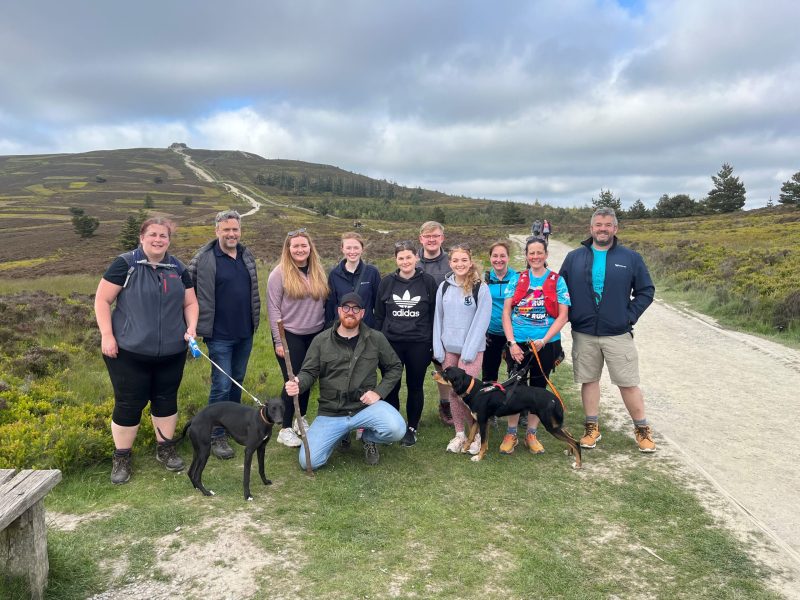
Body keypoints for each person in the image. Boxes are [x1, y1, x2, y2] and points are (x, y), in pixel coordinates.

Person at [94, 217, 199, 484]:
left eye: (163, 236)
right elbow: (103, 299)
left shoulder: (177, 268)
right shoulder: (125, 264)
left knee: (166, 399)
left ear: (169, 240)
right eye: (152, 234)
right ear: (142, 237)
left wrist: (192, 328)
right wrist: (107, 335)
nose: (158, 240)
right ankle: (122, 457)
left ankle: (165, 449)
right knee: (129, 403)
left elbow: (190, 303)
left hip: (172, 352)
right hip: (128, 352)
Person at [559, 207, 657, 452]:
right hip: (584, 333)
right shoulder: (574, 257)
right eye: (598, 225)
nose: (602, 229)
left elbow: (646, 291)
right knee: (589, 380)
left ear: (615, 228)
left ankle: (642, 429)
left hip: (618, 333)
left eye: (607, 225)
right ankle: (592, 428)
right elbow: (561, 291)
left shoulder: (630, 258)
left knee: (628, 382)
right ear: (591, 228)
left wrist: (628, 316)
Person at [284, 292, 405, 469]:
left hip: (364, 408)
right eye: (346, 308)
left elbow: (395, 367)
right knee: (308, 462)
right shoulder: (321, 340)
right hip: (331, 412)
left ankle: (368, 437)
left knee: (397, 429)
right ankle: (339, 434)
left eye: (356, 308)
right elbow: (308, 372)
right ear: (339, 310)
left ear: (362, 313)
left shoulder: (376, 339)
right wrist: (298, 383)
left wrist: (378, 392)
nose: (351, 312)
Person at [188, 210, 260, 459]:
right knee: (221, 385)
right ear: (217, 230)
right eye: (226, 229)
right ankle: (215, 435)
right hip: (218, 335)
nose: (232, 234)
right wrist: (193, 326)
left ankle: (233, 427)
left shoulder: (246, 254)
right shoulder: (203, 259)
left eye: (235, 229)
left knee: (237, 380)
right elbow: (189, 295)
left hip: (245, 332)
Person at [499, 236, 571, 454]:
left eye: (540, 252)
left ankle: (531, 433)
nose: (535, 256)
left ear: (546, 255)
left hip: (545, 343)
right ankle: (511, 433)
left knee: (538, 390)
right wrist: (511, 343)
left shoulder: (557, 280)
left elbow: (563, 316)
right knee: (513, 388)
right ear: (526, 256)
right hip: (518, 342)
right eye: (531, 253)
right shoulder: (518, 279)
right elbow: (506, 312)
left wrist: (544, 340)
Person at [268, 228, 329, 448]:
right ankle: (284, 428)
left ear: (310, 247)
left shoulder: (318, 270)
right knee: (292, 382)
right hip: (290, 335)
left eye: (304, 245)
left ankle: (299, 419)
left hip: (315, 334)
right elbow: (274, 309)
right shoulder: (279, 273)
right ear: (288, 249)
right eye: (295, 246)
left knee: (307, 380)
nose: (300, 249)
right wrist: (278, 341)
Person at [374, 240, 438, 447]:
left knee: (415, 386)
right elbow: (379, 316)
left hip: (419, 343)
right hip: (391, 343)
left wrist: (432, 344)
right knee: (391, 385)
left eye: (409, 257)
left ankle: (412, 428)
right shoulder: (386, 283)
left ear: (416, 257)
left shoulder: (428, 282)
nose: (405, 261)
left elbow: (435, 314)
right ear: (396, 260)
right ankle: (394, 425)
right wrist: (378, 344)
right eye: (401, 258)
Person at [433, 244, 492, 454]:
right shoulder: (444, 287)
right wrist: (438, 348)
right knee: (453, 393)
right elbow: (438, 318)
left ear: (470, 262)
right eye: (455, 261)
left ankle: (476, 436)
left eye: (464, 260)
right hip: (450, 348)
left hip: (472, 351)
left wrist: (469, 350)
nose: (460, 264)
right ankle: (460, 435)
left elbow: (481, 321)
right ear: (450, 263)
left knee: (467, 394)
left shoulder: (480, 288)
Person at [417, 220, 453, 426]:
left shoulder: (451, 261)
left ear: (442, 238)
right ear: (421, 238)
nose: (431, 240)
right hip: (419, 326)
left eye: (435, 236)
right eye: (427, 236)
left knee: (444, 367)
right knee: (417, 369)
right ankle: (415, 407)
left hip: (446, 326)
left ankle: (446, 404)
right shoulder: (413, 262)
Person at [325, 231, 381, 328]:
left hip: (366, 330)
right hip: (341, 329)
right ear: (342, 249)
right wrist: (329, 328)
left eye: (356, 248)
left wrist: (378, 327)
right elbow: (330, 306)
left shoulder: (372, 273)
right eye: (348, 248)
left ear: (362, 249)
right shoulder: (334, 275)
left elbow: (379, 305)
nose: (352, 252)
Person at [482, 241, 518, 383]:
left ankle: (515, 404)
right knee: (489, 376)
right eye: (495, 256)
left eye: (502, 256)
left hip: (514, 334)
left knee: (515, 375)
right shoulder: (484, 279)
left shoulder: (518, 278)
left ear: (508, 257)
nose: (499, 260)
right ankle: (490, 403)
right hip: (491, 333)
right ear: (490, 258)